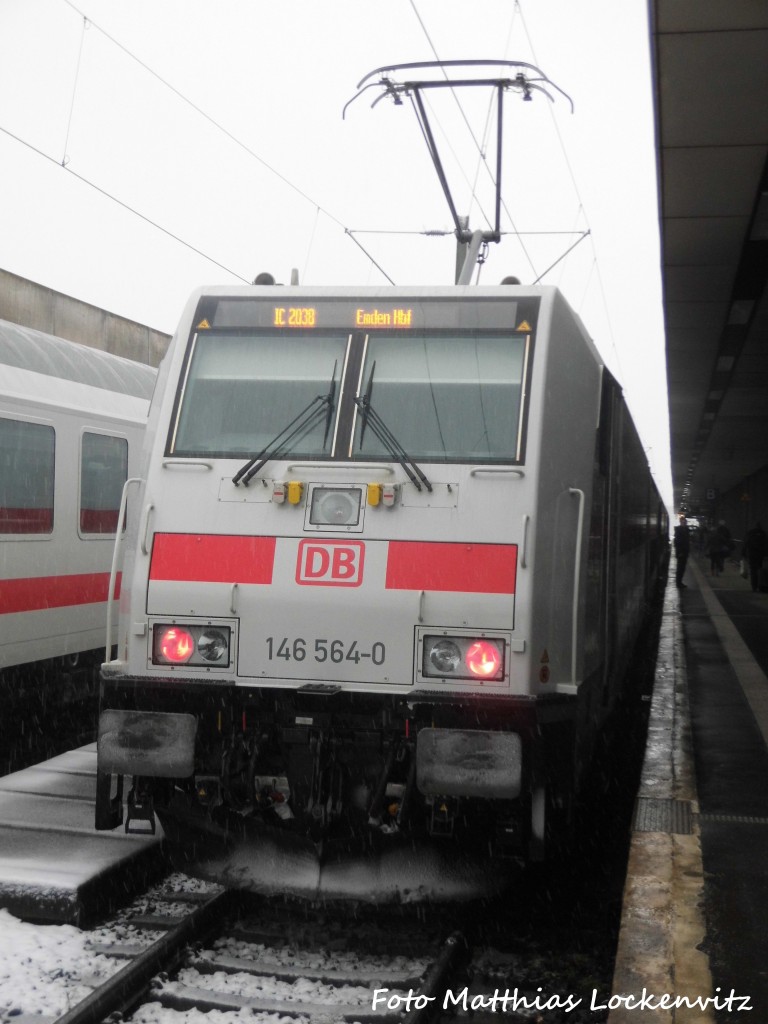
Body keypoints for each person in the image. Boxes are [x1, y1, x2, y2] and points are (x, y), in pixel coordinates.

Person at [742, 522, 768, 592]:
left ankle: (754, 586)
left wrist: (743, 553)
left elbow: (746, 543)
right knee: (759, 569)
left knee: (753, 570)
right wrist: (765, 554)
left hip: (751, 554)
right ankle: (761, 585)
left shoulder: (750, 533)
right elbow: (766, 544)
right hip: (760, 554)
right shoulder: (763, 533)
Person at [673, 514, 690, 588]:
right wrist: (680, 552)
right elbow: (677, 542)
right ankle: (678, 582)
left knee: (682, 568)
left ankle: (679, 582)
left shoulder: (686, 529)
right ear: (681, 522)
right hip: (681, 552)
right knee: (680, 568)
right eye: (683, 522)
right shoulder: (679, 530)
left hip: (685, 552)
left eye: (685, 522)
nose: (685, 523)